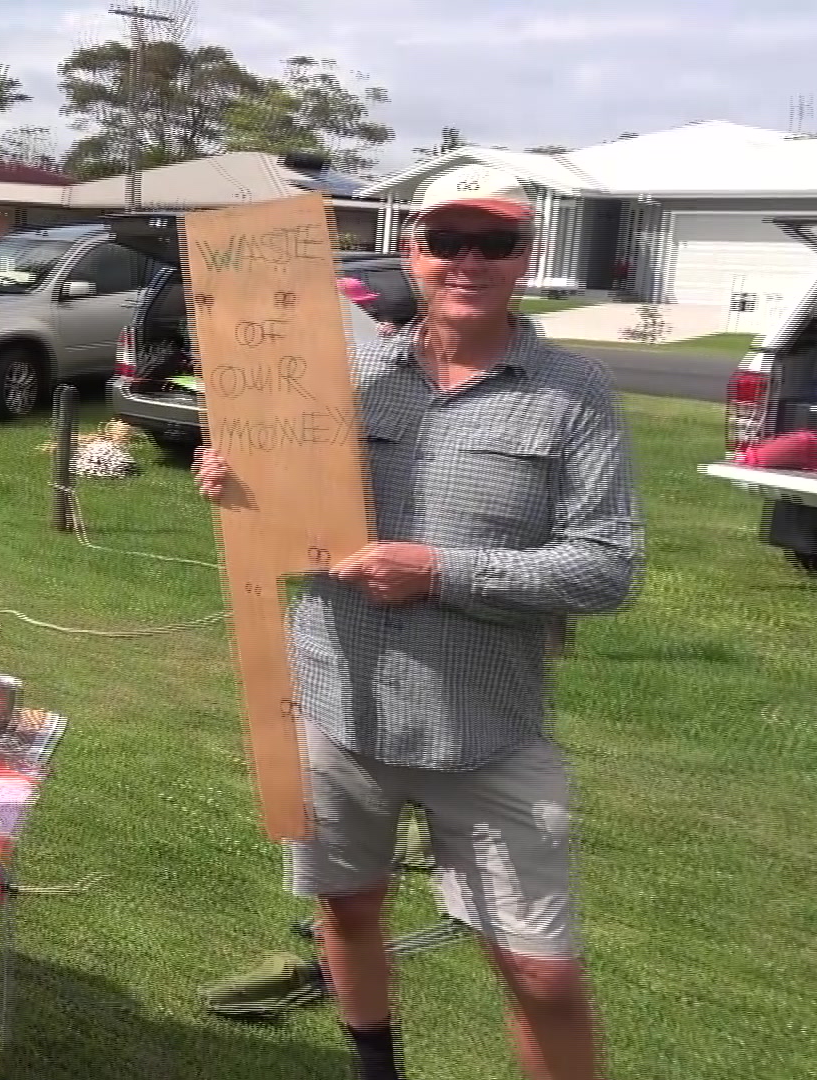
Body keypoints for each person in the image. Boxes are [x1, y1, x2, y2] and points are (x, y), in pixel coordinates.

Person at [193, 164, 644, 1080]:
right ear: (413, 251)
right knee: (348, 908)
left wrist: (442, 571)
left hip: (486, 730)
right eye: (448, 241)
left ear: (528, 255)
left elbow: (609, 566)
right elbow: (296, 515)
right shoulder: (345, 377)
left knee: (539, 970)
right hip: (338, 708)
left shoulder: (573, 392)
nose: (468, 260)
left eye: (494, 241)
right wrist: (239, 485)